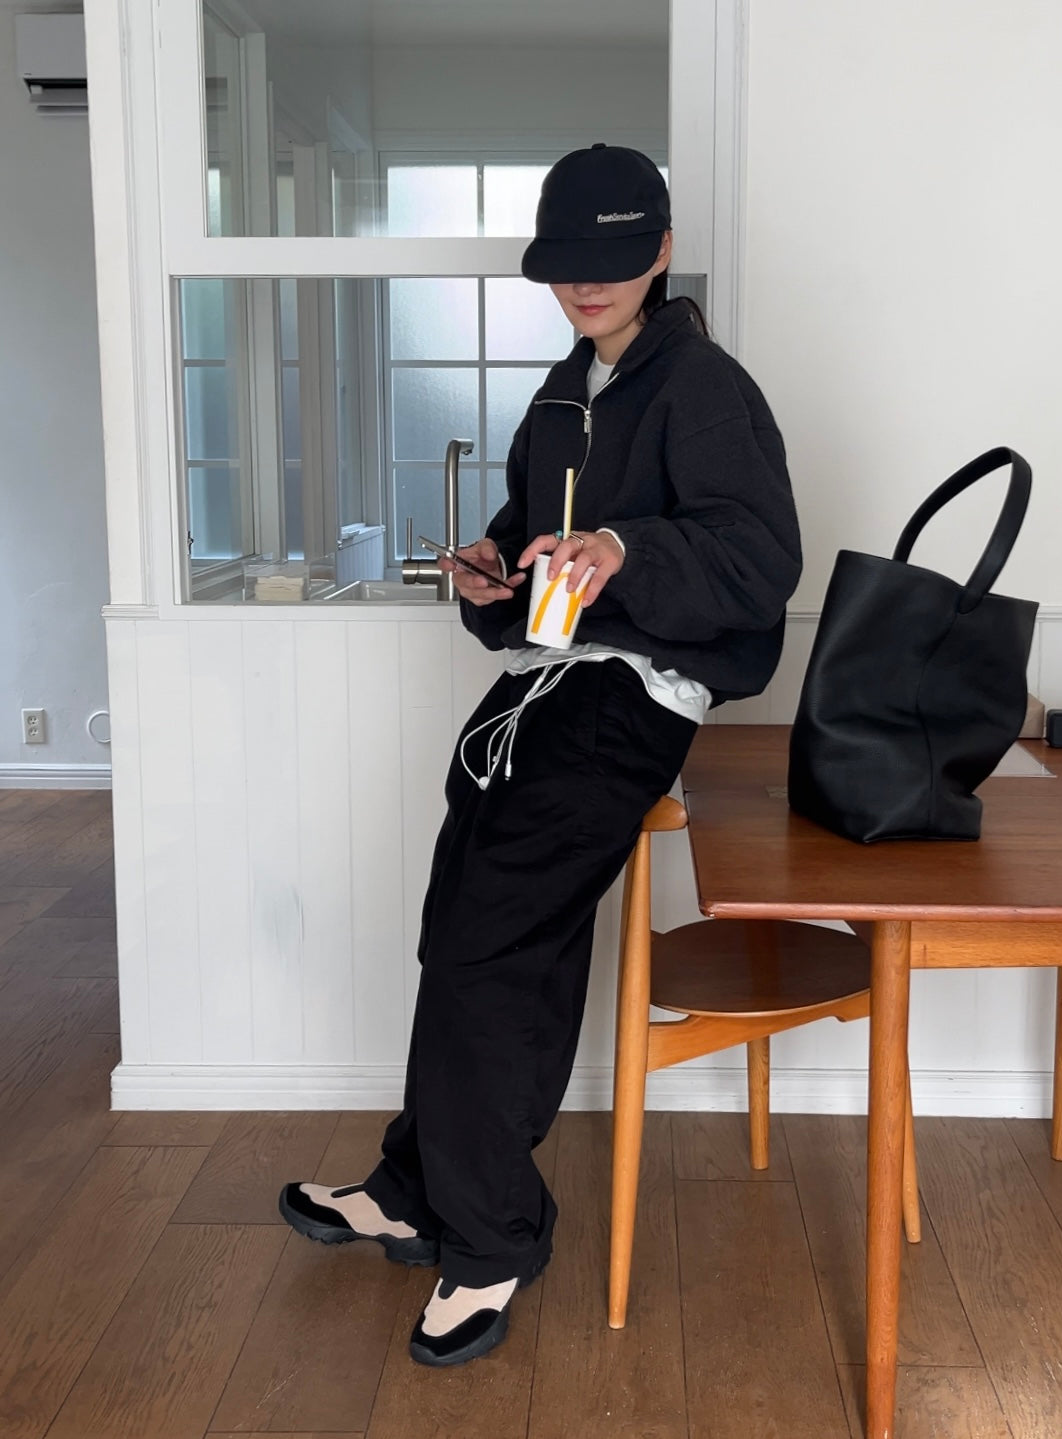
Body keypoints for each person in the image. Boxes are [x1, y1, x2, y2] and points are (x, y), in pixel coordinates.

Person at [278, 144, 801, 1367]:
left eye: (611, 259)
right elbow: (531, 549)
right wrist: (488, 577)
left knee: (490, 950)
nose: (586, 284)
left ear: (660, 253)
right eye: (565, 263)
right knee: (460, 931)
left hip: (627, 705)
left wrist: (624, 551)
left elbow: (757, 559)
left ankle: (493, 1236)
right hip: (539, 694)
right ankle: (415, 1187)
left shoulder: (706, 388)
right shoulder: (565, 395)